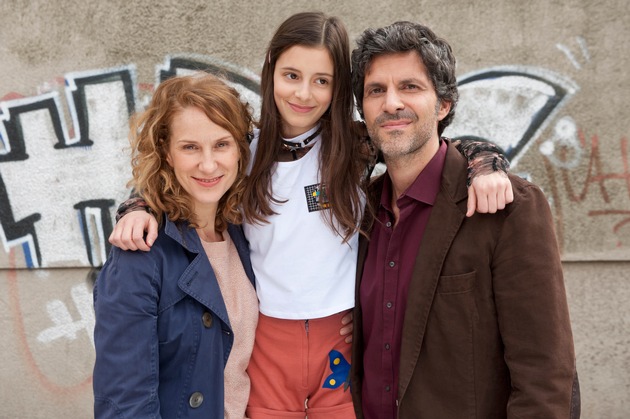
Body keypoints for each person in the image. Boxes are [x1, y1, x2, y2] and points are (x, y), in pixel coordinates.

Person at [108, 12, 514, 419]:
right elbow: (183, 176)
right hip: (267, 338)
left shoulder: (355, 146)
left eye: (322, 80)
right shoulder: (245, 150)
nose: (304, 93)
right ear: (270, 68)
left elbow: (442, 145)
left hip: (341, 338)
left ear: (339, 87)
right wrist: (137, 206)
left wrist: (486, 167)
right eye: (291, 75)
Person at [349, 21, 580, 419]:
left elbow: (545, 377)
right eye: (376, 90)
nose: (391, 103)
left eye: (410, 86)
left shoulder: (507, 208)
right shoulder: (357, 211)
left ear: (443, 105)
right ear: (363, 109)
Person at [93, 73, 258, 418]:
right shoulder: (140, 253)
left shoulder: (244, 232)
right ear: (166, 153)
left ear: (240, 150)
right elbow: (125, 402)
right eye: (190, 147)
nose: (208, 164)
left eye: (222, 144)